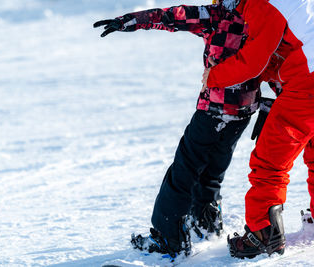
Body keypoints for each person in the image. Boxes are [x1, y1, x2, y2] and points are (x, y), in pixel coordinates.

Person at [94, 0, 280, 259]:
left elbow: (172, 16)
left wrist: (131, 20)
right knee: (213, 170)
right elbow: (276, 61)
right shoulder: (261, 19)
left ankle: (168, 239)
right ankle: (206, 223)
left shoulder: (217, 15)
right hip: (242, 112)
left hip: (214, 110)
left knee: (184, 170)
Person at [200, 0, 314, 259]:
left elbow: (252, 61)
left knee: (271, 158)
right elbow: (291, 41)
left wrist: (213, 76)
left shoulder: (260, 3)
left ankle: (262, 234)